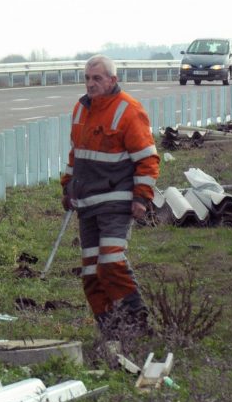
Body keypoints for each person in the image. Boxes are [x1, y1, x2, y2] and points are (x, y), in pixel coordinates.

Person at [60, 54, 159, 338]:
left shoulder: (129, 110)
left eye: (97, 79)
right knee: (91, 274)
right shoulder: (80, 108)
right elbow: (76, 154)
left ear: (112, 80)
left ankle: (138, 325)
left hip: (116, 202)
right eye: (88, 79)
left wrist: (142, 197)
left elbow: (148, 159)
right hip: (87, 205)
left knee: (112, 262)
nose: (91, 84)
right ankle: (113, 332)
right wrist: (67, 186)